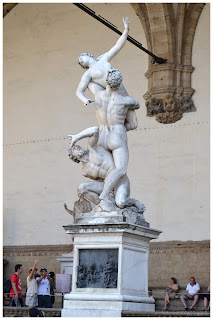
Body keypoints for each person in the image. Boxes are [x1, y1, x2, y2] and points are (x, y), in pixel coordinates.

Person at [74, 69, 140, 203]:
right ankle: (104, 194)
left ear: (106, 82)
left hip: (102, 134)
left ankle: (107, 197)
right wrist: (121, 128)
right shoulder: (126, 100)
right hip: (116, 134)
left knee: (107, 169)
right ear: (120, 83)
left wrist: (94, 69)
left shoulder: (98, 95)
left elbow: (89, 82)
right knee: (120, 169)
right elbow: (135, 116)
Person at [76, 17, 138, 132]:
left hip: (123, 91)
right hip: (113, 94)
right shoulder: (88, 73)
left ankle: (115, 131)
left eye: (81, 58)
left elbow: (118, 46)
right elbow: (79, 91)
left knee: (134, 124)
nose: (81, 60)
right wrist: (84, 99)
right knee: (120, 124)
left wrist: (126, 30)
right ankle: (113, 132)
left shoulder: (103, 58)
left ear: (88, 55)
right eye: (80, 62)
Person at [68, 126, 145, 212]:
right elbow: (100, 180)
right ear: (73, 157)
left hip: (119, 180)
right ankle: (106, 206)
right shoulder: (85, 171)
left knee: (121, 203)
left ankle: (133, 202)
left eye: (77, 146)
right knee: (82, 188)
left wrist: (77, 137)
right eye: (74, 148)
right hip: (106, 186)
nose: (77, 147)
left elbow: (95, 130)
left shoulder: (92, 148)